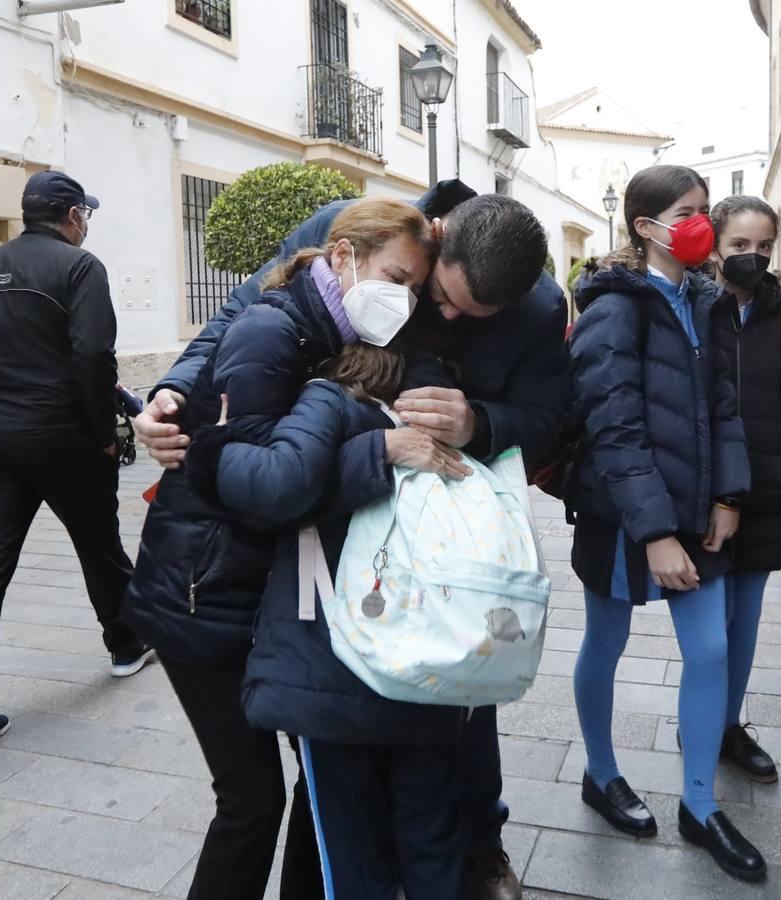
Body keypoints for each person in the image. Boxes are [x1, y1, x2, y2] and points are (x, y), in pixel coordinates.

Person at [133, 181, 562, 900]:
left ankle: (474, 843)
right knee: (253, 800)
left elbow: (550, 417)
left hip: (328, 586)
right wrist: (173, 392)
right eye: (427, 291)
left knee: (326, 785)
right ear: (431, 237)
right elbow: (255, 447)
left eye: (462, 312)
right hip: (216, 583)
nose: (439, 314)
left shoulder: (530, 310)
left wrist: (476, 422)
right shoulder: (321, 287)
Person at [121, 198, 440, 900]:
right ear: (341, 256)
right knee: (250, 800)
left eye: (416, 287)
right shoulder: (274, 332)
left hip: (274, 599)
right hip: (202, 597)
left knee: (321, 787)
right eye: (395, 276)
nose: (404, 298)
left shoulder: (336, 333)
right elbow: (262, 488)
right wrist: (373, 450)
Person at [187, 318, 467, 899]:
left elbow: (279, 489)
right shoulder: (448, 413)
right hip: (434, 661)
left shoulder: (327, 399)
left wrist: (210, 446)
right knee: (430, 835)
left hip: (334, 667)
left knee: (346, 845)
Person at [568, 165, 763, 881]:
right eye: (687, 211)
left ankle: (700, 804)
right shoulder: (611, 309)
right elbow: (612, 427)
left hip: (699, 505)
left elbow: (725, 407)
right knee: (607, 640)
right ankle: (600, 772)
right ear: (646, 227)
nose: (702, 223)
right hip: (622, 515)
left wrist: (728, 497)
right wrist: (653, 533)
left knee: (708, 651)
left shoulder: (708, 301)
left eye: (705, 209)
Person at [0, 171, 151, 759]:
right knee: (99, 544)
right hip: (63, 437)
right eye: (86, 215)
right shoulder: (81, 268)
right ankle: (126, 643)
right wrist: (104, 431)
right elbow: (93, 354)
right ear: (73, 215)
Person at [707, 196, 781, 783]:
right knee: (709, 625)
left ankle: (728, 724)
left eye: (765, 247)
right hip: (706, 495)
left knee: (745, 620)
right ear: (715, 244)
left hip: (767, 490)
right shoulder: (697, 308)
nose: (753, 258)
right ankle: (702, 718)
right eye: (739, 246)